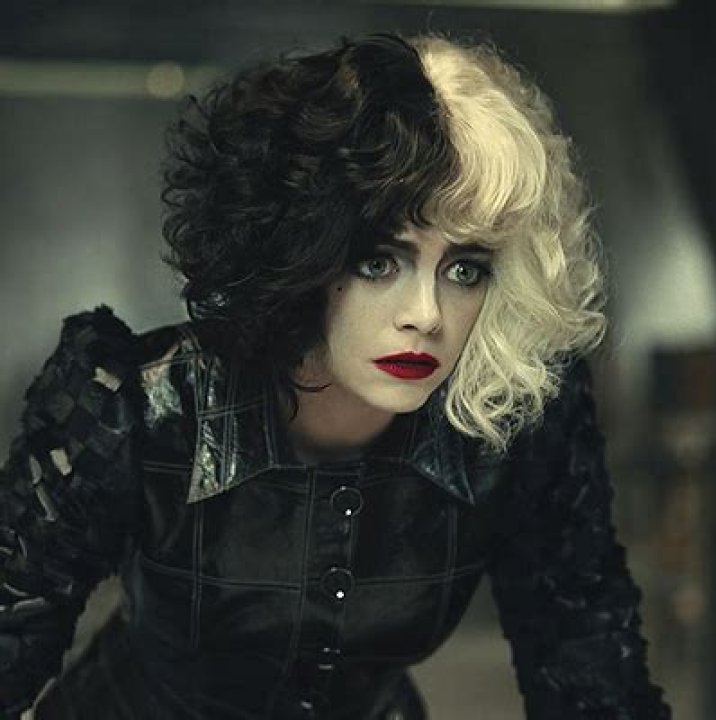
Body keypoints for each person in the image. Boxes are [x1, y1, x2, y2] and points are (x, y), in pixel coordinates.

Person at [0, 33, 670, 720]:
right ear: (304, 253)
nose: (426, 315)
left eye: (465, 269)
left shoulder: (513, 421)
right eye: (379, 261)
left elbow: (587, 661)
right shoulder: (133, 407)